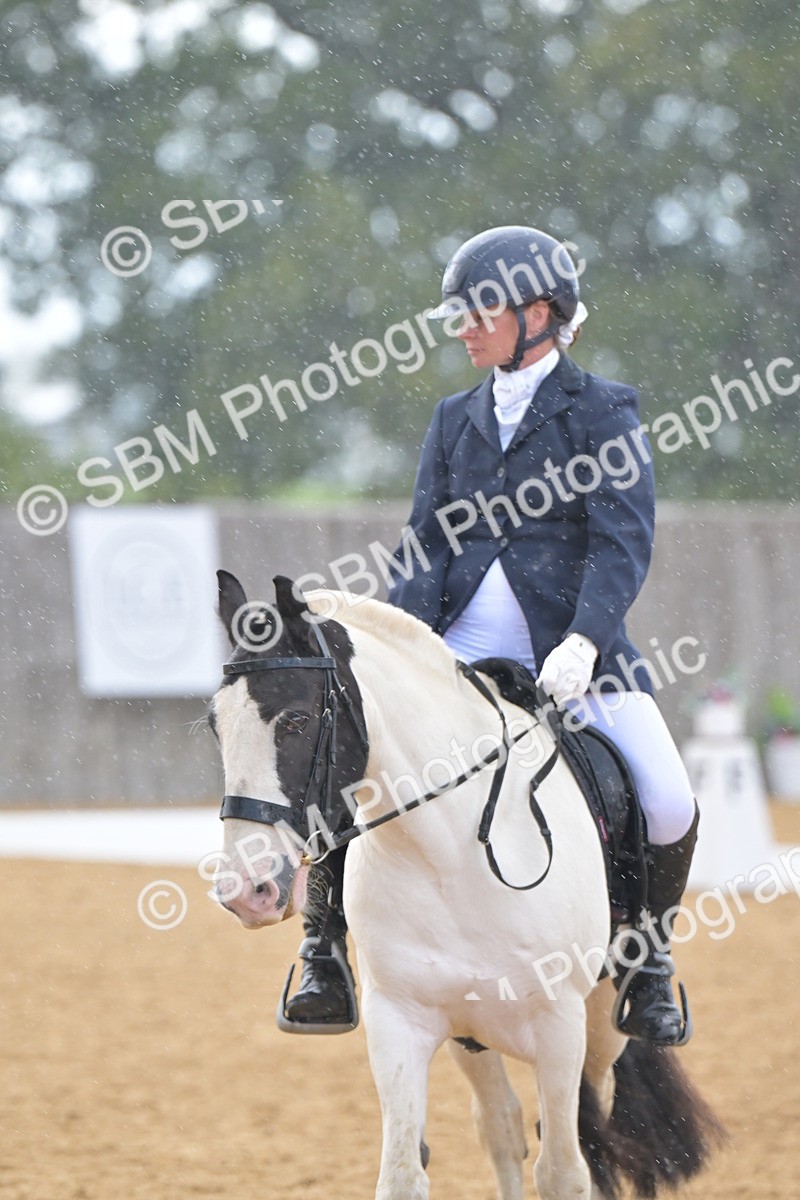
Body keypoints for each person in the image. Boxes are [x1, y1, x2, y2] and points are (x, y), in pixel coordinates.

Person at [285, 225, 698, 1047]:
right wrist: (402, 642)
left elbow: (623, 543)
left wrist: (583, 639)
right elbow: (426, 543)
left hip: (576, 653)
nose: (463, 327)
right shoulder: (453, 419)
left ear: (539, 314)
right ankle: (323, 951)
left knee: (667, 798)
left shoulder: (605, 411)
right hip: (458, 648)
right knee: (351, 755)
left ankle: (648, 967)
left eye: (479, 312)